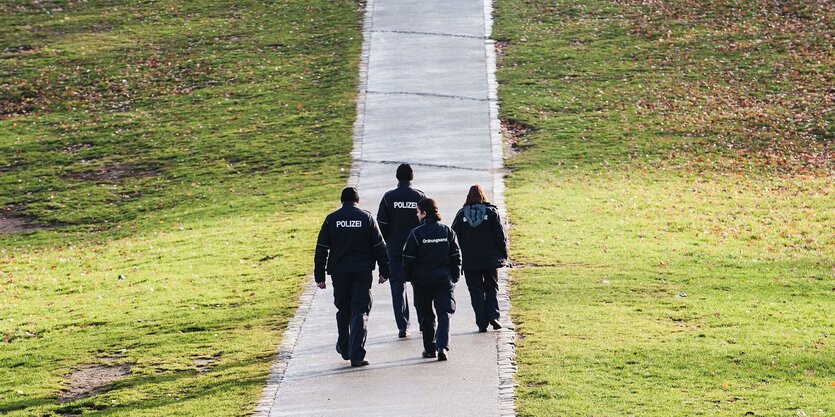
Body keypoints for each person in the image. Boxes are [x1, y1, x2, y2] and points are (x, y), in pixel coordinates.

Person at [314, 187, 390, 367]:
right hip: (362, 271)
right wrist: (384, 271)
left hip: (339, 272)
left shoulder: (331, 219)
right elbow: (380, 246)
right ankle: (356, 354)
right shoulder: (366, 218)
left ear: (342, 201)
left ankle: (344, 345)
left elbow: (321, 249)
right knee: (360, 310)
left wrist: (320, 276)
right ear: (358, 200)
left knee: (343, 309)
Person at [403, 198, 461, 361]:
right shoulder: (447, 231)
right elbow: (456, 255)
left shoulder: (416, 234)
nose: (416, 214)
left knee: (426, 315)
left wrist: (408, 277)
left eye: (417, 211)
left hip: (422, 282)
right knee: (445, 313)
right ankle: (442, 346)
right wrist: (455, 275)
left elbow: (408, 258)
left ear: (424, 213)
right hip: (444, 279)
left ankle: (429, 349)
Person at [376, 163, 426, 338]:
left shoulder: (389, 198)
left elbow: (381, 226)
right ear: (411, 177)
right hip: (417, 250)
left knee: (398, 288)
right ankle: (424, 321)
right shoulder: (419, 197)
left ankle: (403, 325)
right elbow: (427, 222)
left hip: (395, 250)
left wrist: (385, 246)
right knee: (420, 286)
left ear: (397, 177)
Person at [451, 184, 508, 333]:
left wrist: (455, 259)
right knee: (491, 287)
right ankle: (494, 316)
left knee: (475, 290)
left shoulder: (461, 215)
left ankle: (481, 322)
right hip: (489, 259)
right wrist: (503, 254)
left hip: (470, 260)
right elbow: (500, 236)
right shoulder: (491, 212)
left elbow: (453, 238)